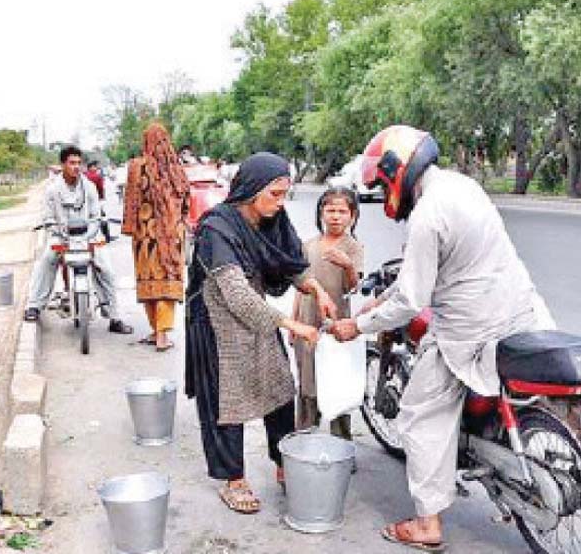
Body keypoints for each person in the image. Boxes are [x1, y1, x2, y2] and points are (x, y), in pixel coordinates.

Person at [329, 125, 555, 550]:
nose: (382, 192)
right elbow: (427, 274)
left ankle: (427, 524)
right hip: (518, 306)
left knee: (418, 414)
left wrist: (357, 325)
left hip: (471, 325)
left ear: (397, 172)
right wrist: (376, 305)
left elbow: (412, 300)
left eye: (381, 182)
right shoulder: (461, 185)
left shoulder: (427, 216)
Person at [184, 152, 337, 514]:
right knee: (228, 404)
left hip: (258, 316)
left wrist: (317, 289)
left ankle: (284, 463)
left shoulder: (272, 220)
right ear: (251, 190)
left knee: (280, 389)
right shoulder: (215, 230)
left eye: (285, 194)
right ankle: (233, 478)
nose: (280, 203)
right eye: (275, 194)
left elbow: (290, 262)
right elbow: (236, 295)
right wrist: (293, 324)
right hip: (219, 321)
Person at [24, 145, 133, 335]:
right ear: (63, 165)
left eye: (78, 163)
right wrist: (59, 233)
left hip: (88, 236)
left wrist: (89, 235)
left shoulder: (89, 187)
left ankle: (114, 316)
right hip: (62, 237)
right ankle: (34, 306)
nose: (76, 167)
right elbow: (48, 218)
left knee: (105, 267)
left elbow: (95, 216)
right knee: (46, 261)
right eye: (71, 163)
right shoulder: (52, 190)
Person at [291, 186, 363, 435]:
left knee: (336, 383)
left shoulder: (352, 247)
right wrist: (293, 323)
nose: (335, 216)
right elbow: (300, 287)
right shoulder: (309, 245)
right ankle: (304, 440)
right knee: (307, 384)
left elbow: (353, 288)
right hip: (307, 321)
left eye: (342, 211)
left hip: (336, 325)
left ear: (352, 216)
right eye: (330, 210)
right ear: (321, 213)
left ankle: (341, 443)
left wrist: (348, 266)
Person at [122, 123, 189, 351]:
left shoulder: (136, 166)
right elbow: (186, 200)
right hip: (172, 236)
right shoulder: (176, 168)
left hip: (145, 236)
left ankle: (157, 331)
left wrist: (129, 227)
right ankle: (161, 334)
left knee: (149, 281)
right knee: (167, 281)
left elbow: (130, 201)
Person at [84, 160, 111, 242]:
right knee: (103, 217)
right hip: (96, 200)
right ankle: (107, 237)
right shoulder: (97, 176)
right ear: (91, 167)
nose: (96, 168)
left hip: (85, 201)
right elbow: (101, 188)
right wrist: (102, 198)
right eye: (95, 166)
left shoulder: (83, 176)